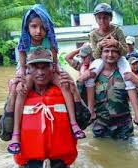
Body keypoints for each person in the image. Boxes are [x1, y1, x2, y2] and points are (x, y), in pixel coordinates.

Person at [8, 4, 84, 155]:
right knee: (20, 90)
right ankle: (15, 133)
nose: (38, 31)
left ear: (47, 28)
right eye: (34, 27)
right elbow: (23, 67)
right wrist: (21, 80)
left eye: (42, 27)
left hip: (49, 67)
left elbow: (55, 63)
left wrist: (61, 76)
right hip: (29, 70)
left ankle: (74, 123)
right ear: (27, 28)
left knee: (64, 84)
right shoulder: (24, 42)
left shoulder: (49, 41)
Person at [80, 3, 138, 126]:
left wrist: (116, 44)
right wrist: (100, 45)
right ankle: (90, 112)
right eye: (99, 18)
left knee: (128, 78)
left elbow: (125, 51)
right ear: (96, 19)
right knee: (89, 78)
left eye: (105, 17)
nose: (102, 20)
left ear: (110, 18)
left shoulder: (117, 30)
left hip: (119, 58)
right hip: (100, 59)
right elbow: (96, 55)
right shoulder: (93, 34)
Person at [12, 48, 77, 167]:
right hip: (30, 162)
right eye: (35, 67)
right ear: (28, 69)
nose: (40, 72)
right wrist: (12, 94)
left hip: (60, 161)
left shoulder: (64, 88)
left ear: (52, 68)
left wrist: (75, 92)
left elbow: (84, 121)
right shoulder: (20, 91)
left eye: (44, 67)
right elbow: (4, 133)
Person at [92, 43, 138, 139]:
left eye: (114, 51)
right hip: (101, 125)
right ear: (101, 54)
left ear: (119, 54)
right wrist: (80, 81)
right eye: (106, 51)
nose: (110, 54)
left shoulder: (126, 74)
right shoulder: (93, 75)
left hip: (123, 125)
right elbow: (83, 100)